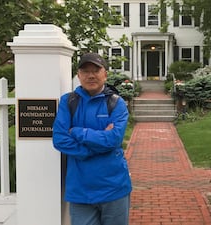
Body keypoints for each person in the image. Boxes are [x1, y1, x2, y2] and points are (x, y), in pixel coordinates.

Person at [52, 53, 132, 225]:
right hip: (81, 191)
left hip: (114, 188)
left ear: (105, 74)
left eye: (96, 70)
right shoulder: (68, 102)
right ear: (78, 75)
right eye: (85, 71)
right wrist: (93, 148)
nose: (90, 75)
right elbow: (59, 139)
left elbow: (114, 140)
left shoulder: (116, 103)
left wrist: (77, 132)